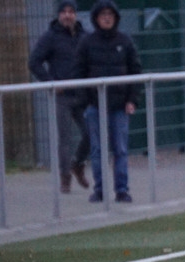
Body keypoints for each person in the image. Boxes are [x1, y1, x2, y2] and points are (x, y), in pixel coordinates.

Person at [74, 0, 141, 203]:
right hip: (95, 106)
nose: (107, 18)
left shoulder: (125, 41)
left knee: (120, 149)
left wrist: (132, 100)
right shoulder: (87, 42)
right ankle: (100, 190)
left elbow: (135, 71)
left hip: (120, 106)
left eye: (110, 14)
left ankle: (122, 190)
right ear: (96, 18)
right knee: (97, 150)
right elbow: (79, 73)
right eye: (103, 14)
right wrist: (86, 101)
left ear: (116, 17)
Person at [28, 0, 90, 194]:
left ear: (76, 15)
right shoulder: (50, 37)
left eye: (71, 11)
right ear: (58, 15)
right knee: (65, 139)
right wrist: (51, 83)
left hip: (82, 95)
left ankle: (77, 164)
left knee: (90, 133)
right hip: (63, 96)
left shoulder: (84, 36)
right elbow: (34, 62)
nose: (67, 15)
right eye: (63, 12)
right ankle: (65, 177)